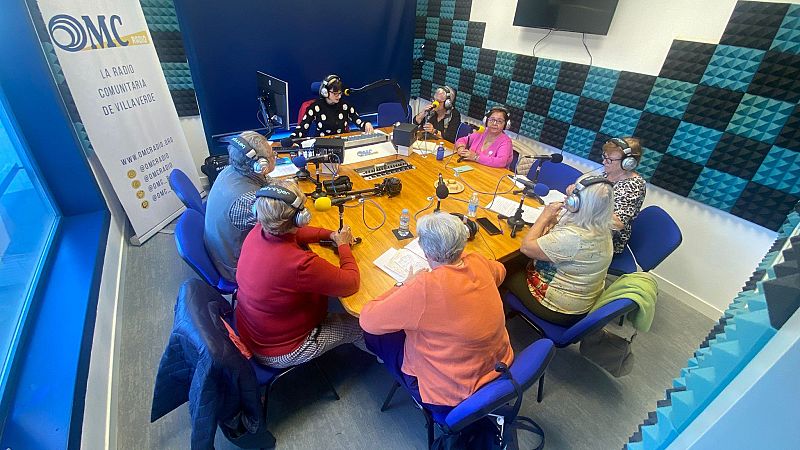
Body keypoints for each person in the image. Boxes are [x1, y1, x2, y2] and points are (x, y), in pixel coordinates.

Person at [360, 212, 513, 417]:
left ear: (425, 251)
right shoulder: (478, 261)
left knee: (376, 336)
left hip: (450, 395)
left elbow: (368, 320)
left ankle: (415, 393)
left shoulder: (424, 287)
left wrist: (403, 284)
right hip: (499, 368)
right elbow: (501, 272)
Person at [234, 180, 366, 368]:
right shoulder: (299, 264)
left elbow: (293, 234)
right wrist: (343, 245)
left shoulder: (259, 230)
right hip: (281, 351)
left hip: (253, 330)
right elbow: (351, 283)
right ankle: (382, 360)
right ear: (300, 219)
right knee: (362, 325)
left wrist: (330, 235)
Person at [504, 176, 615, 327]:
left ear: (577, 203)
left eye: (574, 194)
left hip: (559, 310)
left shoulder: (573, 238)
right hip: (581, 301)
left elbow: (526, 248)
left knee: (503, 267)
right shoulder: (600, 226)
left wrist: (545, 216)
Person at [204, 131, 276, 281]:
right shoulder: (247, 200)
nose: (274, 156)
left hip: (220, 253)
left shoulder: (229, 171)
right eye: (271, 155)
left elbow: (264, 181)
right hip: (235, 268)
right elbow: (281, 223)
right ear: (259, 165)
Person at [566, 137, 646, 254]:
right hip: (590, 226)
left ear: (628, 163)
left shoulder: (634, 185)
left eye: (610, 160)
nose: (604, 162)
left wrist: (583, 202)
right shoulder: (609, 173)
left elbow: (618, 224)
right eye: (604, 157)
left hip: (607, 240)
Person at [291, 74, 374, 138]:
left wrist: (366, 124)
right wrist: (291, 140)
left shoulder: (345, 106)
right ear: (325, 92)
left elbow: (358, 121)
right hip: (323, 144)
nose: (339, 96)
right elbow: (301, 129)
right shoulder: (315, 107)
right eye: (335, 94)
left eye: (340, 93)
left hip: (342, 143)